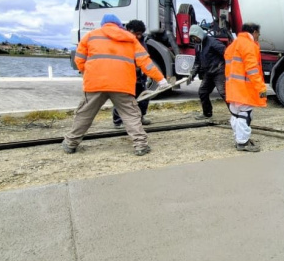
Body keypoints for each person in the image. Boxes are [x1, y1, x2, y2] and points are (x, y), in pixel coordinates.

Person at [63, 14, 168, 156]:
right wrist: (161, 79)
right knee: (131, 115)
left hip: (95, 83)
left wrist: (87, 72)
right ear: (119, 26)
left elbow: (79, 60)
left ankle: (70, 143)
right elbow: (145, 62)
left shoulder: (91, 36)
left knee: (84, 114)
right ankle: (141, 145)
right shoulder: (130, 39)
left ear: (103, 24)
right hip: (122, 84)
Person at [224, 22, 267, 152]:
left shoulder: (232, 46)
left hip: (232, 88)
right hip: (244, 89)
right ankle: (243, 142)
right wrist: (261, 88)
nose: (258, 36)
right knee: (245, 115)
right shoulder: (249, 45)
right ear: (254, 32)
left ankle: (239, 139)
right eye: (258, 34)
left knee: (236, 115)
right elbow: (252, 69)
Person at [113, 19, 152, 128]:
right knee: (123, 99)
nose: (139, 36)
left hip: (140, 76)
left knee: (143, 97)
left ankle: (140, 117)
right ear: (129, 31)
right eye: (137, 34)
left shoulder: (142, 41)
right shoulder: (121, 40)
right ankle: (118, 121)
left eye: (141, 34)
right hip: (126, 75)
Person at [187, 25, 227, 120]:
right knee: (203, 92)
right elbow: (197, 62)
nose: (194, 39)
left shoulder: (213, 42)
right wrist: (192, 74)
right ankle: (207, 113)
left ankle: (237, 115)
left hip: (219, 71)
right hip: (208, 73)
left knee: (224, 93)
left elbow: (227, 53)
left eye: (195, 37)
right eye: (192, 38)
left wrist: (226, 66)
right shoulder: (198, 47)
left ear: (199, 34)